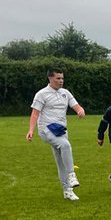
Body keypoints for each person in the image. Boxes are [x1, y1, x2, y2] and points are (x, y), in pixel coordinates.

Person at [26, 67, 86, 201]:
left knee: (61, 161)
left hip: (61, 130)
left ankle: (67, 191)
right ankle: (71, 175)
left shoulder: (65, 93)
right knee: (65, 145)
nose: (61, 81)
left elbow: (76, 106)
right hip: (46, 129)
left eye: (62, 78)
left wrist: (80, 110)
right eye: (58, 78)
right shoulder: (41, 94)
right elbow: (35, 114)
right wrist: (31, 130)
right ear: (50, 78)